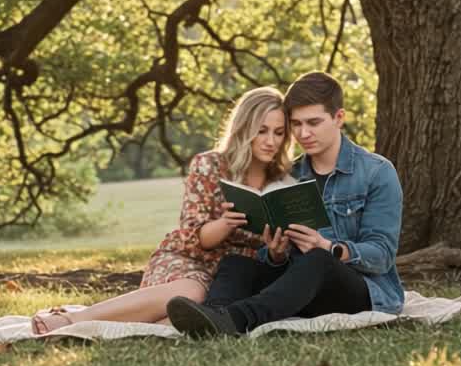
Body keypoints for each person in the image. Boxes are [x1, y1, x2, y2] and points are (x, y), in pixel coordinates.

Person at [31, 86, 293, 334]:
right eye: (262, 131)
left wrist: (276, 252)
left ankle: (147, 319)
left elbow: (278, 257)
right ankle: (71, 320)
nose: (271, 141)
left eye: (279, 132)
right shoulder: (210, 165)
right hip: (191, 260)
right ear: (244, 128)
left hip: (235, 278)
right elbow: (193, 236)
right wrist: (225, 223)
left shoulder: (285, 181)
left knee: (194, 313)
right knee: (192, 294)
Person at [166, 71, 404, 336]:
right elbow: (284, 261)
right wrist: (276, 255)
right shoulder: (289, 174)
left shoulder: (376, 171)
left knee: (318, 259)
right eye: (297, 124)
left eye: (313, 122)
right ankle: (212, 316)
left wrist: (329, 247)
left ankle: (235, 318)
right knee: (235, 263)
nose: (304, 133)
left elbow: (382, 255)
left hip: (362, 291)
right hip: (303, 289)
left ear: (339, 118)